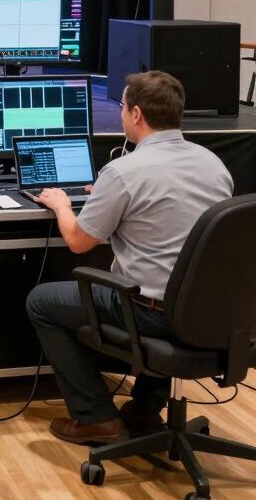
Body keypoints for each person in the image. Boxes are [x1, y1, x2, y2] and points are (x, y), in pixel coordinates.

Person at [26, 70, 233, 445]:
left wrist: (60, 204)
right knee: (170, 284)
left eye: (122, 107)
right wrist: (106, 193)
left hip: (151, 314)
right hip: (211, 313)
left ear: (136, 114)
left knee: (41, 303)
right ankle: (144, 408)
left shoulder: (123, 172)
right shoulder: (213, 164)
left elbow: (77, 241)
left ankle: (95, 417)